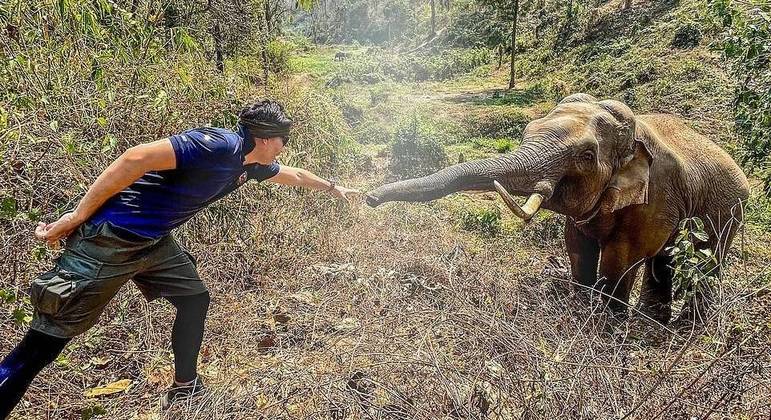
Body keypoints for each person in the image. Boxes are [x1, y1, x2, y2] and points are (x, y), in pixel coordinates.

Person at [0, 99, 359, 417]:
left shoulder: (247, 164)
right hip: (108, 242)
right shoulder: (218, 145)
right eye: (284, 140)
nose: (284, 148)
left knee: (194, 298)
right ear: (266, 138)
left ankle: (185, 385)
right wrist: (77, 216)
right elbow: (136, 157)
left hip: (153, 244)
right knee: (43, 345)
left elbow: (293, 174)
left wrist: (333, 187)